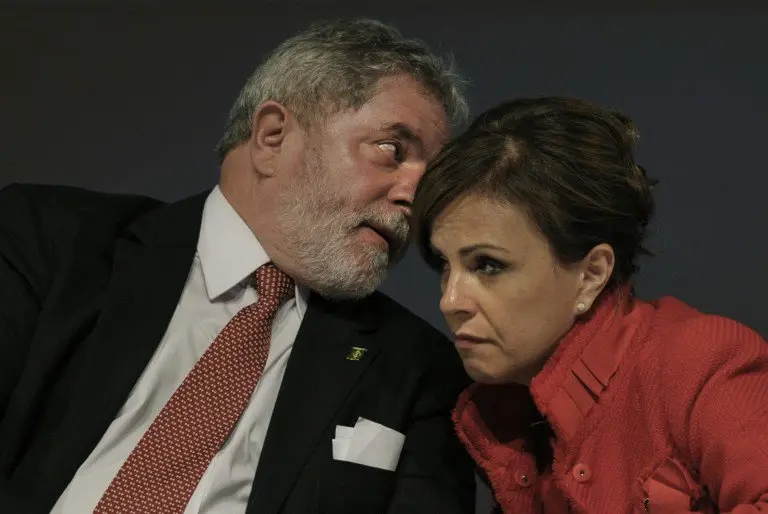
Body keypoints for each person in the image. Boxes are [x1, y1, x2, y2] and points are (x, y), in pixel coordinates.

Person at [0, 19, 477, 514]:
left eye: (430, 180)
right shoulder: (48, 238)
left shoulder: (420, 368)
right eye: (392, 151)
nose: (415, 197)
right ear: (273, 136)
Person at [411, 96, 768, 513]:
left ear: (592, 274)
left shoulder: (700, 361)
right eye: (444, 265)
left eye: (488, 265)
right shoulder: (499, 414)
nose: (450, 301)